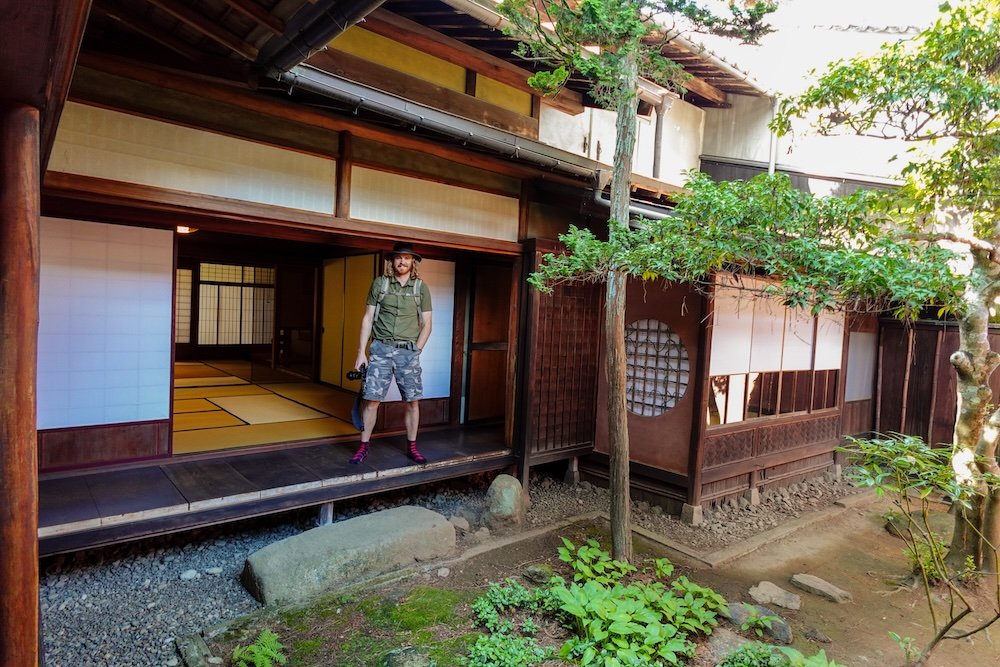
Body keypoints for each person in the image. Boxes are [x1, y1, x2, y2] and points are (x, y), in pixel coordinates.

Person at [351, 241, 433, 464]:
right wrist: (361, 353)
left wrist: (417, 349)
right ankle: (363, 446)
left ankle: (412, 447)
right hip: (380, 349)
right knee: (371, 400)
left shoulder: (420, 287)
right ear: (392, 260)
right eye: (398, 257)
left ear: (412, 261)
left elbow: (427, 323)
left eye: (407, 258)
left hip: (408, 352)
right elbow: (367, 319)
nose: (402, 261)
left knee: (412, 401)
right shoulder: (380, 284)